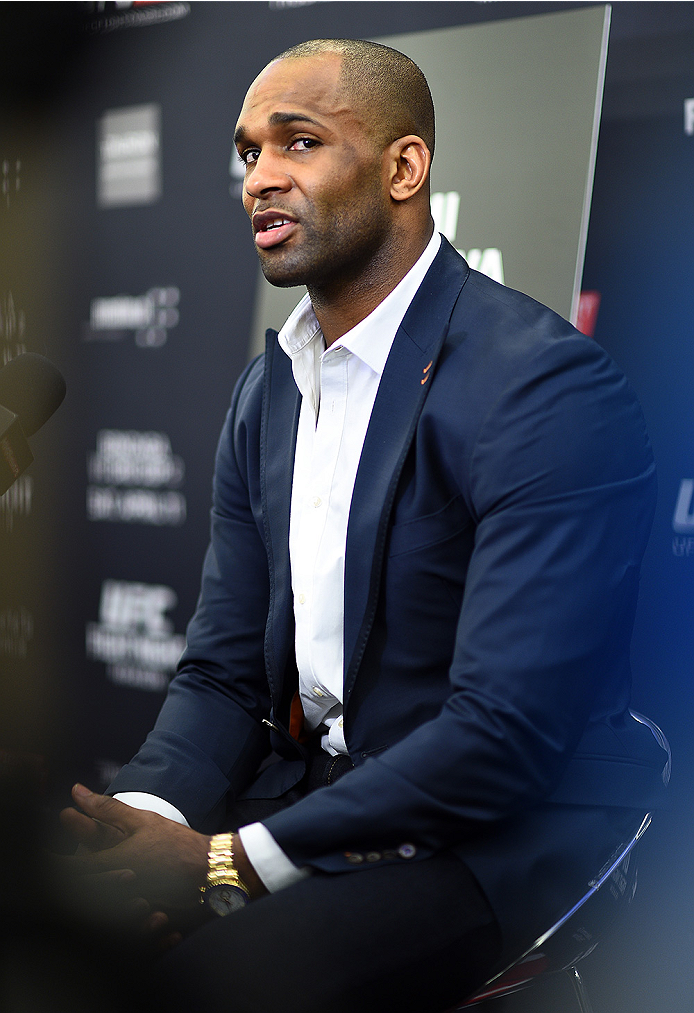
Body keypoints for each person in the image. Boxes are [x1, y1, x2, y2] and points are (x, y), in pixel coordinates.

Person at [61, 38, 668, 1013]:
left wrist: (225, 858)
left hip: (498, 829)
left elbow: (501, 734)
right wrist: (142, 821)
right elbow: (222, 669)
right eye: (249, 151)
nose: (261, 176)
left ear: (403, 167)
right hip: (320, 797)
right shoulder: (269, 390)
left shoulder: (544, 387)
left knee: (211, 985)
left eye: (298, 143)